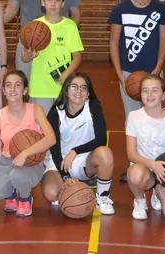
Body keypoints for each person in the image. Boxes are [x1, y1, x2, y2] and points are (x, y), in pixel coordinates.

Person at [0, 70, 56, 218]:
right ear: (3, 90)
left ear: (25, 90)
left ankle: (25, 198)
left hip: (31, 162)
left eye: (17, 85)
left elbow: (51, 139)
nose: (13, 89)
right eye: (8, 85)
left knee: (18, 176)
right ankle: (11, 192)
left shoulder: (36, 110)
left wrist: (25, 154)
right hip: (6, 162)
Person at [108, 0, 165, 119]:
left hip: (153, 71)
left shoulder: (161, 10)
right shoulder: (120, 9)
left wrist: (157, 70)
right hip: (128, 73)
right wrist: (119, 74)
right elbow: (113, 42)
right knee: (132, 118)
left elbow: (164, 42)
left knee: (154, 116)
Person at [45, 72, 115, 215]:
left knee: (105, 153)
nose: (79, 91)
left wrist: (75, 150)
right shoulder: (55, 113)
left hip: (85, 160)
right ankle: (72, 186)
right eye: (74, 87)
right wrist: (66, 177)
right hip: (61, 160)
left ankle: (103, 197)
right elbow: (54, 148)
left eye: (83, 88)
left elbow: (101, 139)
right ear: (66, 89)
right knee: (51, 193)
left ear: (88, 93)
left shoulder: (93, 106)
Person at [125, 74, 165, 223]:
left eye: (154, 90)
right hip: (144, 169)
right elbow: (131, 154)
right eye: (145, 90)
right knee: (135, 174)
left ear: (163, 95)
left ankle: (158, 192)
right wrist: (153, 165)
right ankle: (140, 200)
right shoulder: (134, 116)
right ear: (140, 94)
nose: (149, 94)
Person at [20, 0, 83, 114]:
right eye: (49, 0)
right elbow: (24, 58)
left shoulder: (70, 26)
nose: (53, 4)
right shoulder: (35, 26)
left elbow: (77, 56)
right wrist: (27, 56)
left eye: (57, 0)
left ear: (63, 3)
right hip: (40, 88)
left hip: (63, 88)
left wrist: (67, 73)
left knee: (62, 130)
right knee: (42, 129)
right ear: (43, 2)